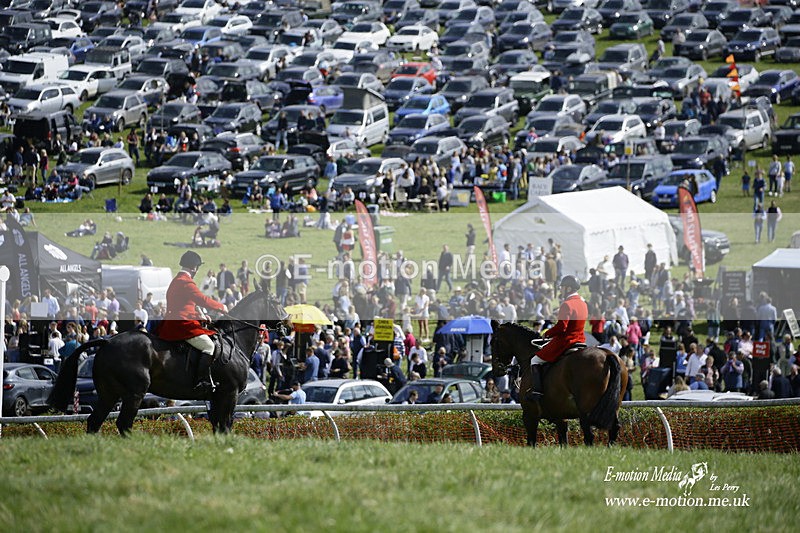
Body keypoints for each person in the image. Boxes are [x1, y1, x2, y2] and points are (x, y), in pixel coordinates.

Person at [158, 251, 228, 395]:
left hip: (173, 321)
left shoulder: (177, 280)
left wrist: (201, 317)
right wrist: (222, 307)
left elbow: (185, 305)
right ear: (194, 268)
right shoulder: (186, 282)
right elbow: (202, 300)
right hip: (181, 325)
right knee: (209, 346)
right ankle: (201, 380)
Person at [525, 275, 587, 401]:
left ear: (568, 288)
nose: (561, 290)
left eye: (562, 288)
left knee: (535, 360)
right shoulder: (583, 303)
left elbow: (562, 327)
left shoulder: (567, 304)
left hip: (566, 340)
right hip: (580, 340)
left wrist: (547, 333)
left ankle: (537, 392)